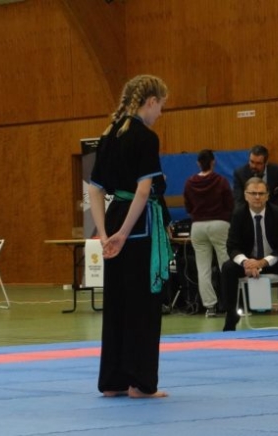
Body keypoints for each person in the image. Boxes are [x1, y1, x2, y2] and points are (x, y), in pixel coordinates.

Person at [88, 74, 171, 399]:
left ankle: (113, 380)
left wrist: (104, 233)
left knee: (117, 302)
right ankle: (140, 383)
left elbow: (95, 189)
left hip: (114, 218)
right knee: (142, 304)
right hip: (138, 225)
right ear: (150, 102)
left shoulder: (108, 134)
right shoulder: (145, 137)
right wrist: (123, 233)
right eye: (161, 106)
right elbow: (144, 190)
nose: (160, 113)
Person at [221, 177, 278, 331]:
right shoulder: (238, 214)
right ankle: (231, 315)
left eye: (261, 193)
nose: (257, 197)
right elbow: (232, 246)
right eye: (253, 193)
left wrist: (263, 262)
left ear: (267, 196)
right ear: (245, 195)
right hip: (249, 262)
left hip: (274, 260)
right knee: (228, 267)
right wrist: (246, 263)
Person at [183, 149, 234, 316]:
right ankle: (230, 304)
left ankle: (210, 307)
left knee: (203, 268)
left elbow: (188, 206)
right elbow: (230, 204)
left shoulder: (189, 182)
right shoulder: (221, 181)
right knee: (225, 265)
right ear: (213, 162)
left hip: (197, 226)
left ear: (198, 163)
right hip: (219, 224)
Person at [232, 144, 278, 209]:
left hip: (271, 209)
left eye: (258, 163)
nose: (254, 166)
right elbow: (238, 199)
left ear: (266, 163)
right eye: (252, 162)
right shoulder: (240, 174)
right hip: (248, 210)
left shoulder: (277, 171)